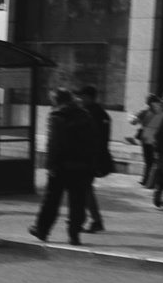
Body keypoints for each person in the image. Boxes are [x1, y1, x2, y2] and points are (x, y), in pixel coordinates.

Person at [32, 83, 111, 245]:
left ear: (57, 100)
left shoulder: (57, 115)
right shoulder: (85, 114)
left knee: (51, 200)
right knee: (78, 202)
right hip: (82, 167)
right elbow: (94, 140)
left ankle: (42, 229)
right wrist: (90, 164)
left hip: (61, 166)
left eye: (52, 100)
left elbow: (54, 143)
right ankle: (74, 234)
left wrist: (51, 165)